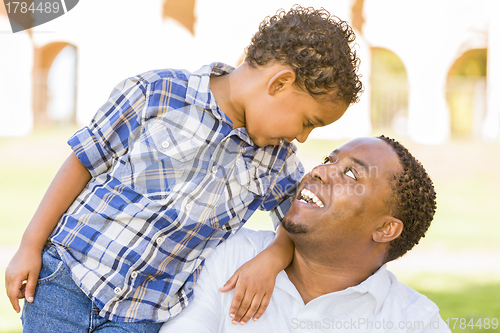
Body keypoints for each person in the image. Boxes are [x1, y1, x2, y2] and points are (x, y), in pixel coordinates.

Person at [4, 5, 363, 332]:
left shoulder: (276, 159)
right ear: (279, 83)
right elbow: (82, 162)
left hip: (142, 315)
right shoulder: (157, 93)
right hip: (65, 279)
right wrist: (29, 246)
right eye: (307, 122)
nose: (302, 138)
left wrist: (272, 258)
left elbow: (298, 221)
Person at [160, 136, 451, 333]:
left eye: (351, 174)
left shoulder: (415, 321)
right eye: (329, 159)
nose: (320, 170)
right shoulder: (229, 255)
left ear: (385, 229)